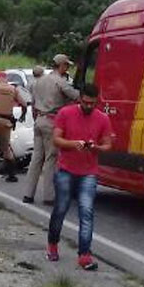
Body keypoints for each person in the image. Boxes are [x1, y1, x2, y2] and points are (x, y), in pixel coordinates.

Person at [47, 84, 113, 271]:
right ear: (79, 99)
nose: (88, 106)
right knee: (61, 208)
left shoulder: (103, 119)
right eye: (85, 102)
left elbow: (107, 144)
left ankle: (84, 254)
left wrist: (96, 147)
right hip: (66, 169)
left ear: (97, 101)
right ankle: (52, 243)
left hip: (88, 172)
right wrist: (73, 144)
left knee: (87, 211)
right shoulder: (66, 113)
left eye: (92, 103)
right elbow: (56, 139)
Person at [24, 54, 79, 205]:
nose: (67, 68)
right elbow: (76, 96)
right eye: (66, 66)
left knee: (36, 158)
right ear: (61, 65)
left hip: (39, 120)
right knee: (51, 159)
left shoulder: (38, 81)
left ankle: (28, 194)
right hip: (52, 121)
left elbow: (32, 101)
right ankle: (49, 196)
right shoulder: (60, 82)